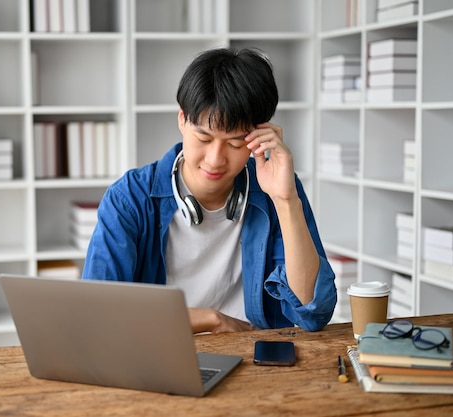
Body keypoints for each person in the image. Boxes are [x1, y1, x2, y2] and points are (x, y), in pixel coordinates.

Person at [82, 47, 336, 333]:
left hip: (255, 360)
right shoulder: (129, 198)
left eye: (235, 143)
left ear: (258, 137)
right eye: (203, 137)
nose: (215, 159)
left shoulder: (277, 189)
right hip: (161, 355)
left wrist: (285, 200)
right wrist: (212, 319)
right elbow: (99, 315)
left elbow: (312, 314)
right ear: (182, 119)